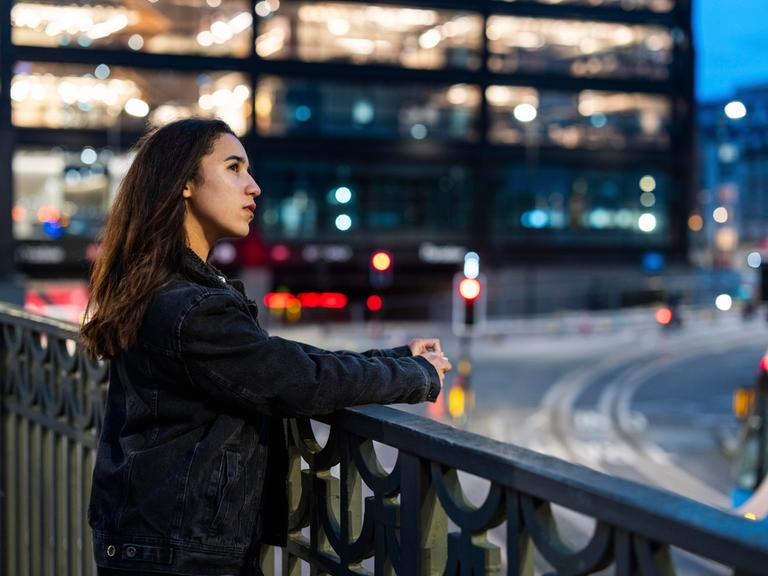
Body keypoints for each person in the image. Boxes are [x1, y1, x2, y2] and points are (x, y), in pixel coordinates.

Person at [80, 118, 452, 576]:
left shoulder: (169, 288)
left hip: (156, 538)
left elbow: (272, 358)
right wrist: (416, 375)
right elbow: (294, 380)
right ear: (185, 185)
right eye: (234, 168)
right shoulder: (190, 306)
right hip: (179, 552)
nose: (253, 187)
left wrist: (396, 358)